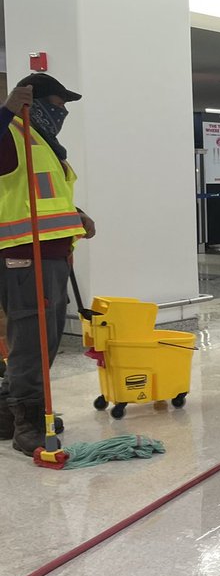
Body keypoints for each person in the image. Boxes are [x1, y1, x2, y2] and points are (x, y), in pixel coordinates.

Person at [0, 75, 96, 455]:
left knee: (45, 337)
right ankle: (29, 422)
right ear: (32, 100)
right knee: (33, 340)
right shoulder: (12, 133)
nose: (64, 111)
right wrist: (5, 111)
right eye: (58, 103)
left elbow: (38, 193)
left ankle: (8, 414)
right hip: (24, 254)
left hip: (52, 254)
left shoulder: (43, 141)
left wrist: (77, 214)